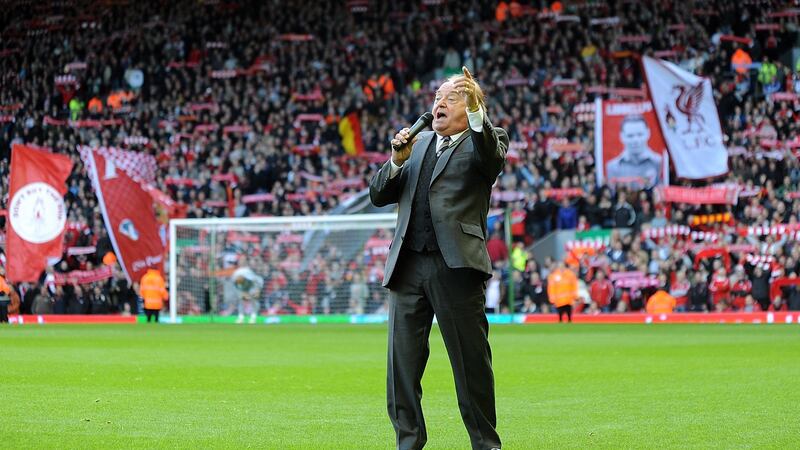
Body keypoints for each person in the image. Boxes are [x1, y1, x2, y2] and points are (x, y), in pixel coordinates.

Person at [369, 66, 506, 450]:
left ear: (472, 106)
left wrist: (479, 115)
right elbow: (377, 194)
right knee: (401, 370)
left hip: (456, 267)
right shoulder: (417, 143)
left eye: (451, 97)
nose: (439, 103)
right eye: (437, 98)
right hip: (407, 267)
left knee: (470, 366)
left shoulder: (486, 141)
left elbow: (489, 158)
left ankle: (485, 445)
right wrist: (397, 160)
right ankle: (408, 444)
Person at [605, 115, 663, 188]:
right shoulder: (613, 167)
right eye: (630, 136)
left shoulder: (659, 162)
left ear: (648, 133)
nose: (635, 140)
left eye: (640, 135)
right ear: (622, 136)